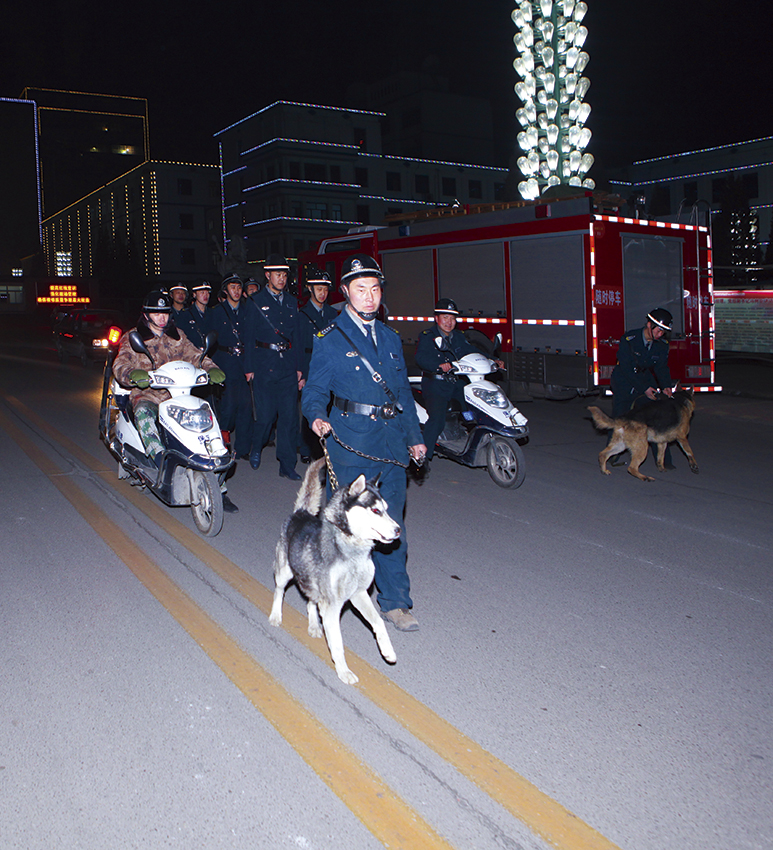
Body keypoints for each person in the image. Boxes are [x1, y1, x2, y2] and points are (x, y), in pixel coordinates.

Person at [302, 254, 426, 632]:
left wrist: (414, 439)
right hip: (350, 444)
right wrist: (316, 417)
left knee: (389, 527)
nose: (369, 297)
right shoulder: (330, 338)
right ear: (346, 293)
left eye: (374, 289)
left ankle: (395, 603)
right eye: (360, 289)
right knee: (342, 529)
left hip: (390, 446)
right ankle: (327, 595)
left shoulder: (389, 337)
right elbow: (315, 390)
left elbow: (402, 393)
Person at [112, 290, 225, 467]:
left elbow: (195, 355)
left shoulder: (177, 335)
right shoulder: (134, 337)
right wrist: (131, 374)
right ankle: (158, 458)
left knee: (203, 411)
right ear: (146, 314)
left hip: (179, 395)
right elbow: (120, 363)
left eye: (164, 313)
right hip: (148, 394)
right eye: (156, 313)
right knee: (143, 413)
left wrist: (211, 368)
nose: (162, 318)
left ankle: (212, 455)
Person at [244, 253, 303, 479]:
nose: (282, 278)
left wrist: (299, 367)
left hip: (287, 365)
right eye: (277, 274)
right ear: (267, 275)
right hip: (263, 364)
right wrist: (249, 367)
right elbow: (248, 337)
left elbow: (295, 336)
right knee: (266, 416)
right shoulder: (256, 301)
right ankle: (256, 446)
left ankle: (287, 465)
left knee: (288, 418)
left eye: (285, 274)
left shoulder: (290, 301)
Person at [415, 297, 483, 461]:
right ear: (437, 318)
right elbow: (421, 357)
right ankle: (423, 456)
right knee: (437, 419)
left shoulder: (458, 337)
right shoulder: (427, 336)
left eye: (452, 318)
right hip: (435, 384)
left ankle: (473, 438)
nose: (449, 322)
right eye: (445, 317)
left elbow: (470, 350)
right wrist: (438, 365)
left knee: (473, 408)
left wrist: (491, 360)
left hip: (455, 383)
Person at [610, 307, 674, 466]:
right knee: (621, 420)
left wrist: (666, 385)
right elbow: (626, 368)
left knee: (654, 419)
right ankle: (612, 456)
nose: (660, 335)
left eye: (663, 332)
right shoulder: (629, 339)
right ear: (649, 325)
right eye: (659, 330)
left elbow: (661, 367)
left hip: (645, 380)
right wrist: (644, 388)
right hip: (624, 381)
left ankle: (664, 461)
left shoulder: (662, 345)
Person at [208, 274, 255, 462]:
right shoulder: (217, 312)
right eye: (232, 287)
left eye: (238, 287)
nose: (235, 291)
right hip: (225, 362)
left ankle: (243, 449)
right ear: (225, 290)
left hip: (243, 362)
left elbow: (252, 339)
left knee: (245, 407)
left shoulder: (247, 310)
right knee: (227, 408)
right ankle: (223, 445)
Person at [297, 267, 340, 462]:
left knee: (330, 407)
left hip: (330, 365)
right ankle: (306, 449)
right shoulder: (302, 314)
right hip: (309, 363)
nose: (322, 293)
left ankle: (328, 448)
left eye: (325, 289)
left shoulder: (333, 313)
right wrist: (300, 372)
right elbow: (297, 345)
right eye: (318, 289)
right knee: (311, 407)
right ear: (310, 289)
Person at [176, 280, 211, 349]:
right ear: (194, 294)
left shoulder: (213, 313)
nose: (205, 295)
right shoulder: (185, 314)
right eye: (202, 292)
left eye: (207, 292)